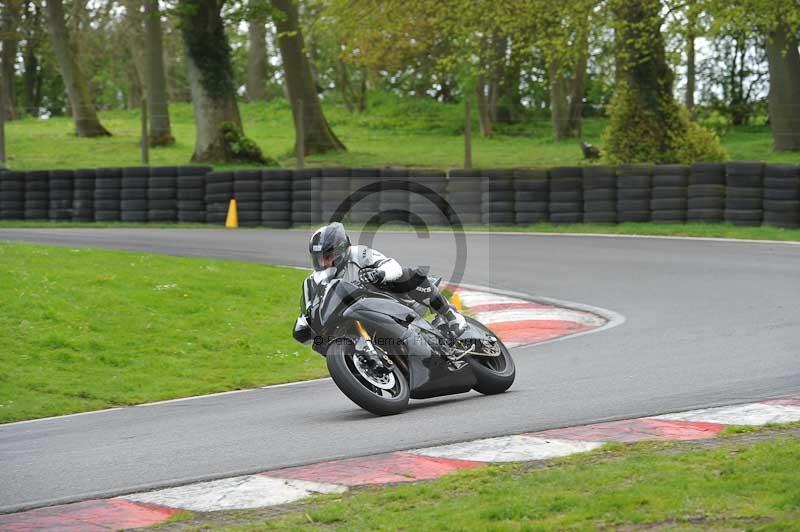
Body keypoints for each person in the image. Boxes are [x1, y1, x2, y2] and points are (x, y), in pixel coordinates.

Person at [292, 222, 467, 348]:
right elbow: (309, 311)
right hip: (352, 318)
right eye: (320, 258)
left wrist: (380, 273)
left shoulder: (360, 254)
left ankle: (450, 315)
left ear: (341, 249)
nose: (324, 263)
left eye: (328, 256)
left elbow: (393, 266)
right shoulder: (310, 282)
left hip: (391, 301)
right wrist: (303, 325)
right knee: (319, 340)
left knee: (408, 275)